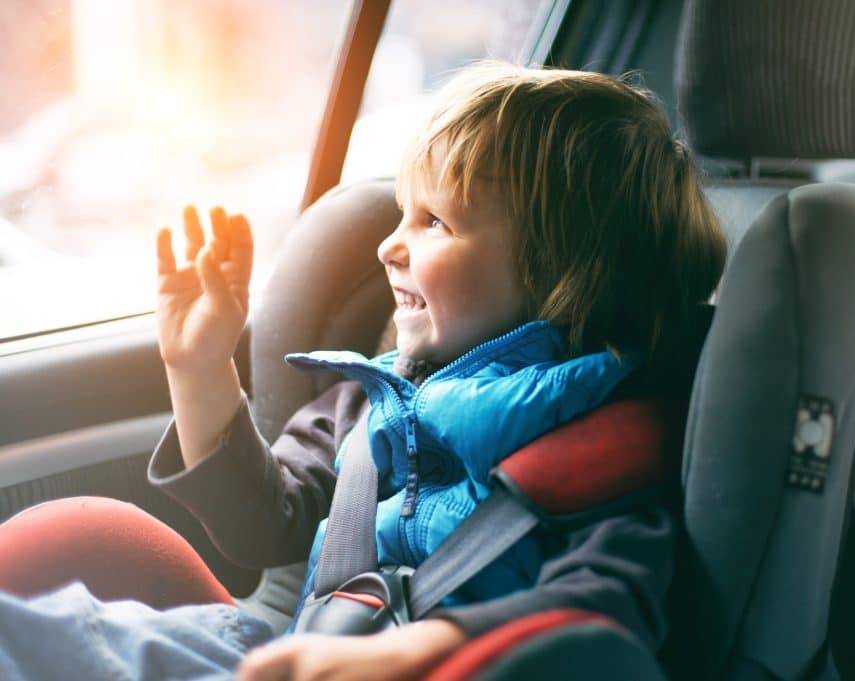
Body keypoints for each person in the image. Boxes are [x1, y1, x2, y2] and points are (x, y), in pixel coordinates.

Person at [0, 61, 725, 681]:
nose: (388, 246)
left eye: (433, 222)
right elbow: (266, 524)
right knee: (60, 626)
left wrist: (423, 652)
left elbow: (603, 611)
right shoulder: (370, 398)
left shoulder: (605, 452)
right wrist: (198, 367)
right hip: (290, 651)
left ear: (561, 270)